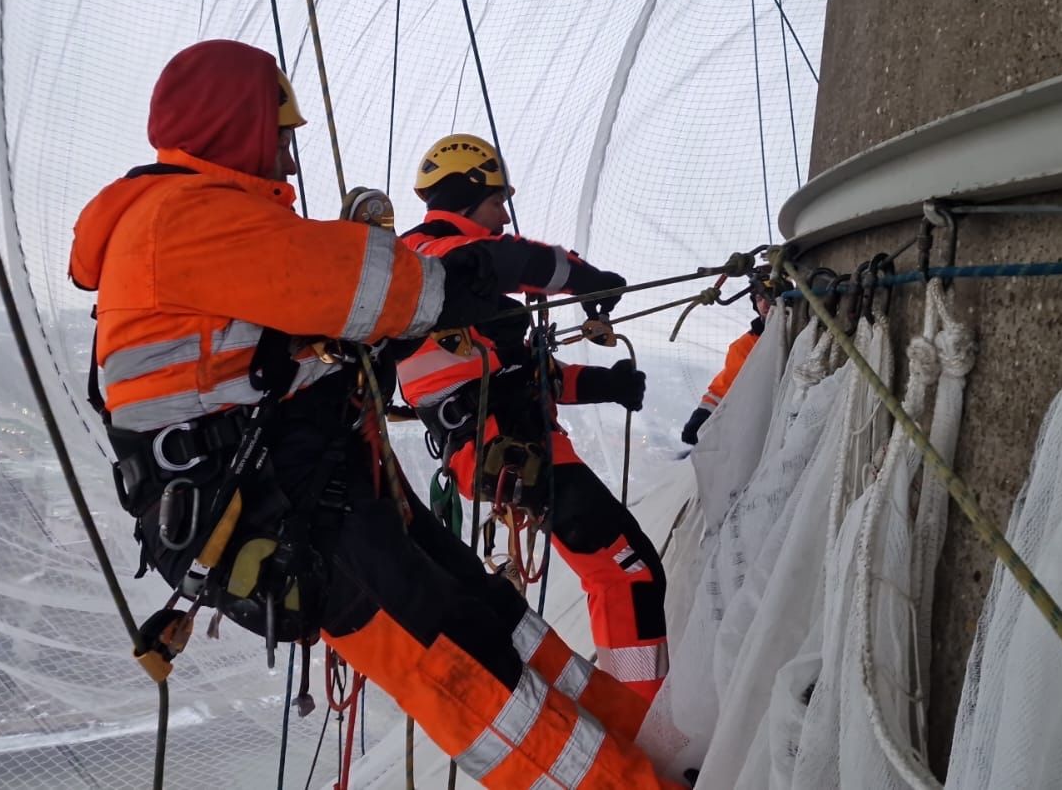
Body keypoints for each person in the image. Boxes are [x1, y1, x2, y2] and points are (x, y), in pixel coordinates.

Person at [68, 42, 678, 789]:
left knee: (490, 621)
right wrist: (496, 280)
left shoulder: (197, 223)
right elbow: (391, 291)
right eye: (281, 137)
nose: (289, 163)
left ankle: (661, 752)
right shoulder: (188, 221)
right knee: (462, 676)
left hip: (308, 486)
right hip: (279, 508)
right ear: (238, 126)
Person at [396, 133, 671, 704]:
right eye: (497, 202)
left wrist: (604, 384)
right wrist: (583, 275)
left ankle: (639, 714)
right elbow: (506, 259)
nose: (502, 217)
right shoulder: (426, 255)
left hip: (514, 442)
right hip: (504, 446)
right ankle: (643, 721)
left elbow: (522, 375)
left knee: (628, 569)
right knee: (626, 573)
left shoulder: (464, 286)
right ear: (468, 195)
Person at [680, 296, 773, 445]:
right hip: (759, 426)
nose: (764, 303)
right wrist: (704, 414)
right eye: (759, 299)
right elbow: (725, 387)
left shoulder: (805, 331)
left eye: (770, 295)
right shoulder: (744, 347)